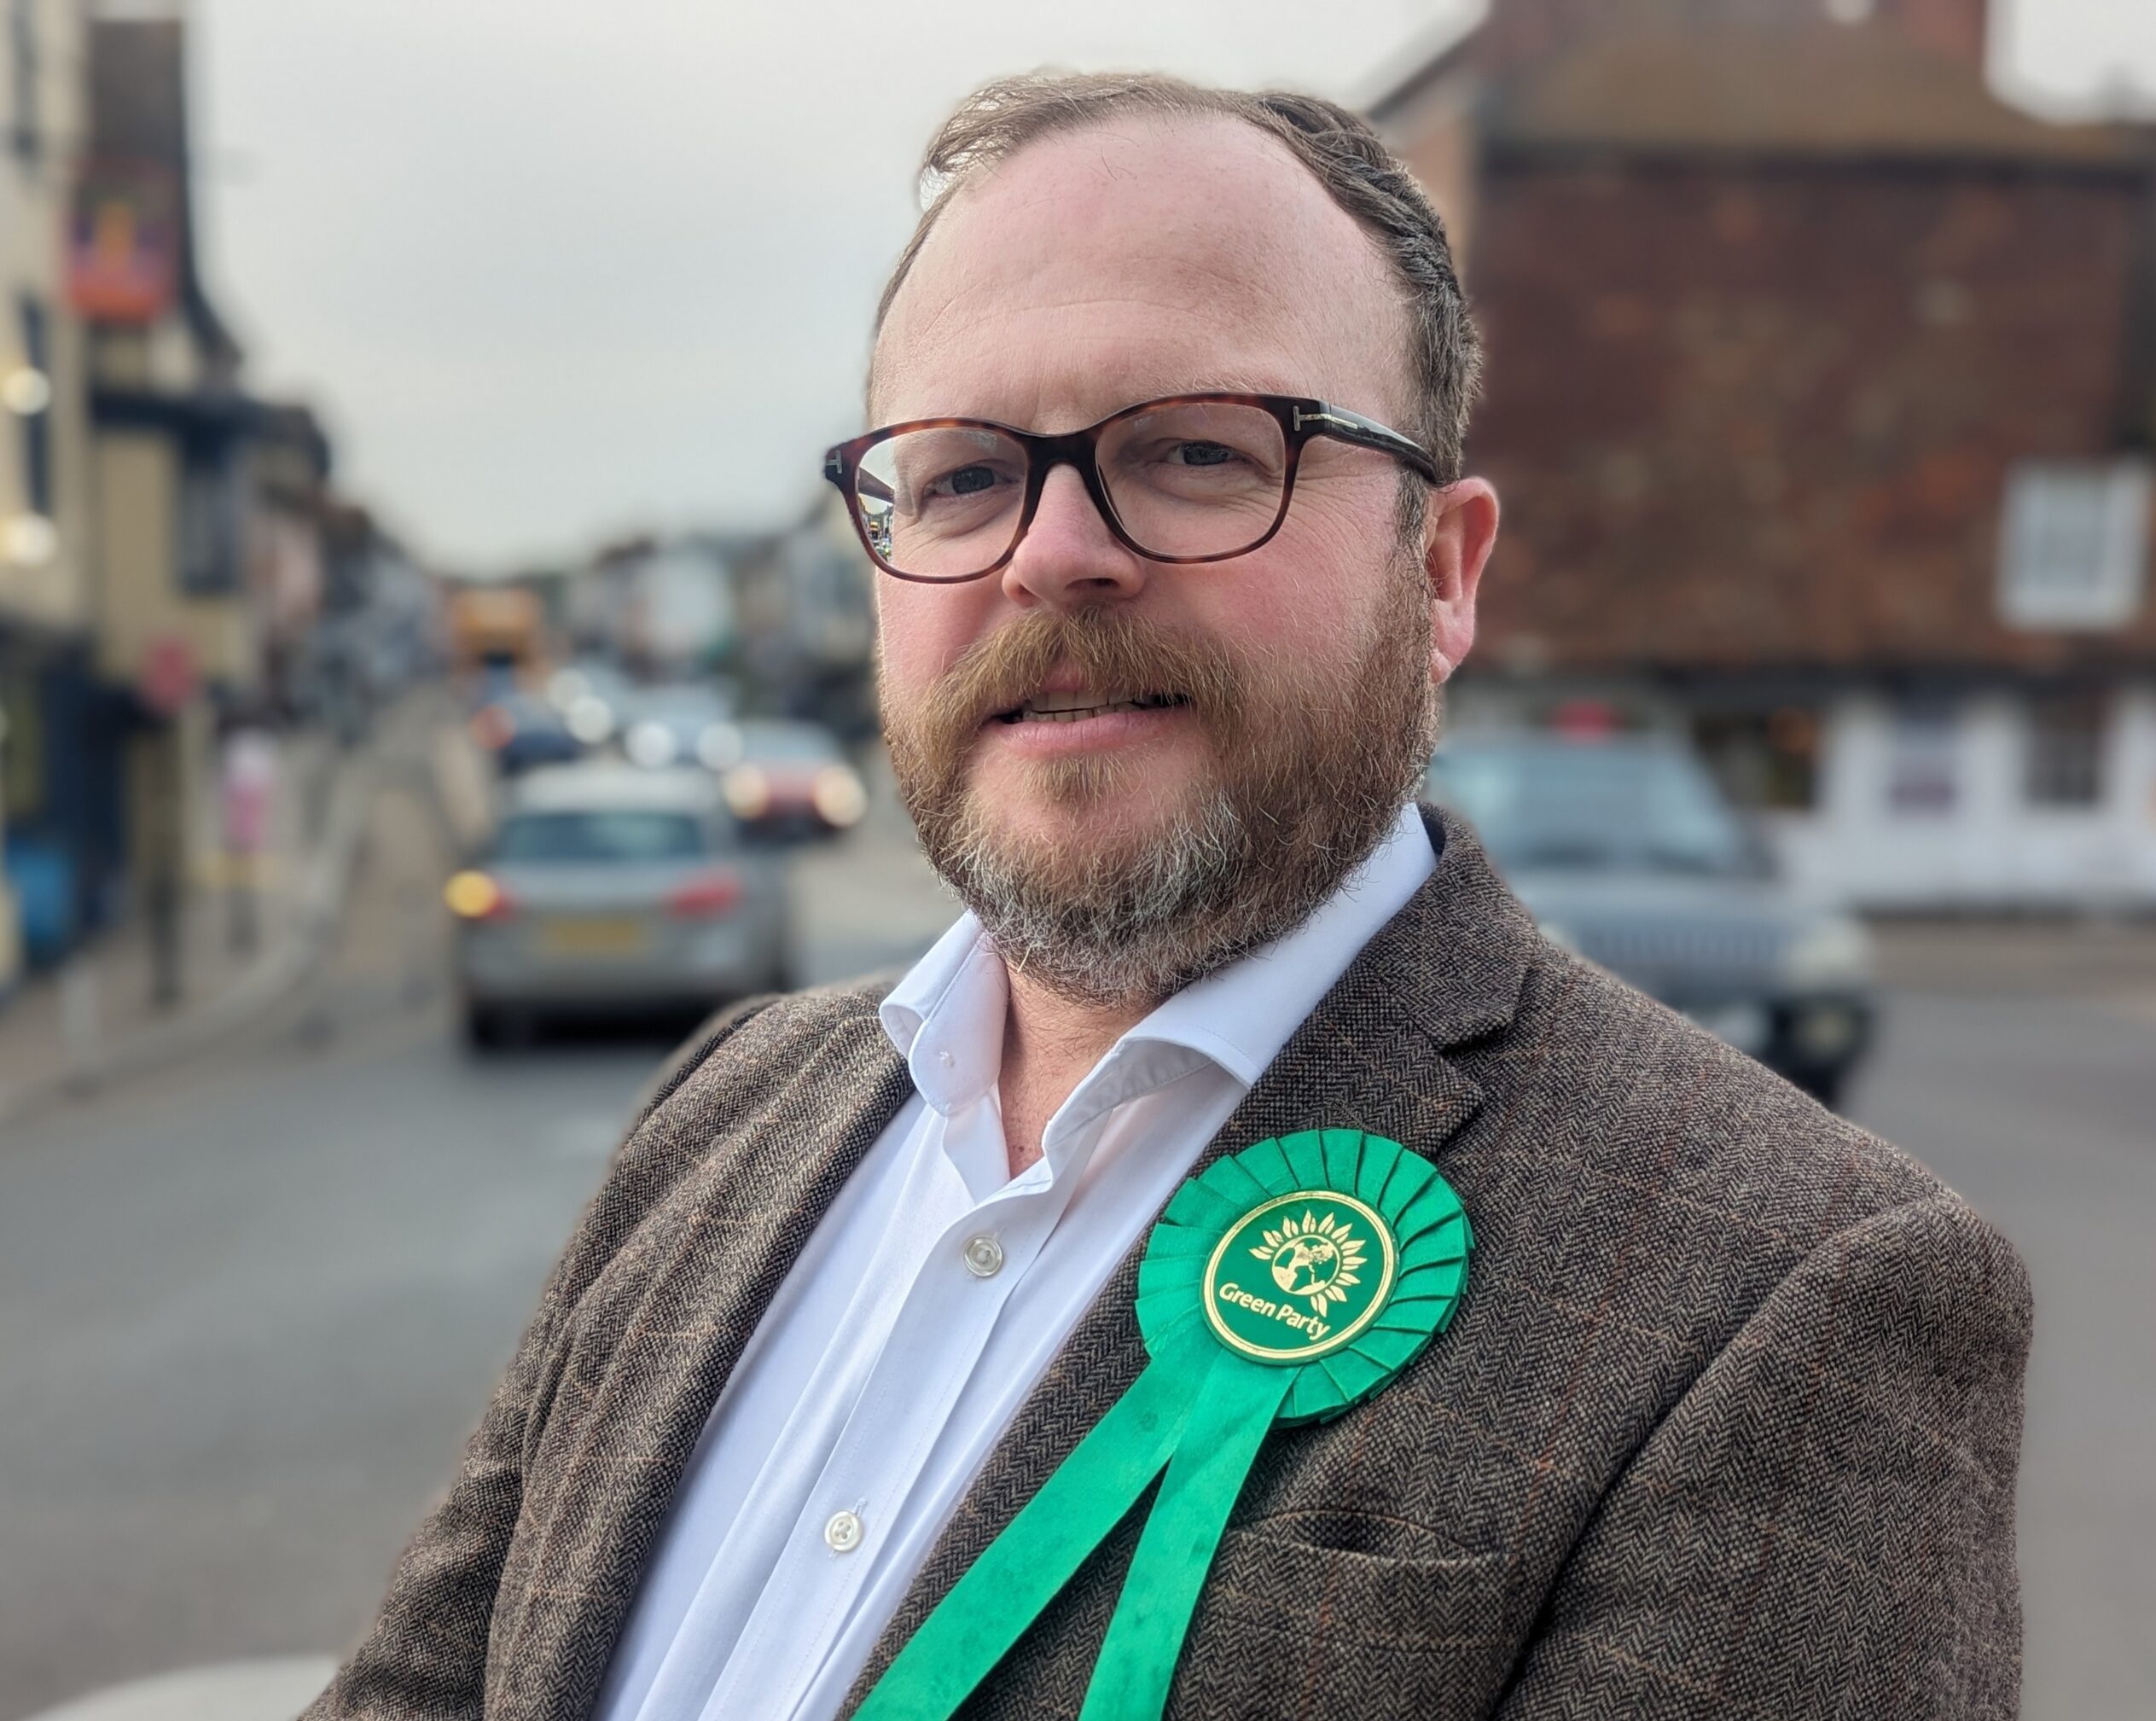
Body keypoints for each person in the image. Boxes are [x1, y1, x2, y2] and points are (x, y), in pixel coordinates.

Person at [307, 72, 2027, 1721]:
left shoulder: (1794, 1297)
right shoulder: (724, 1104)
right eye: (964, 473)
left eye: (1199, 450)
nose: (1050, 551)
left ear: (1437, 573)